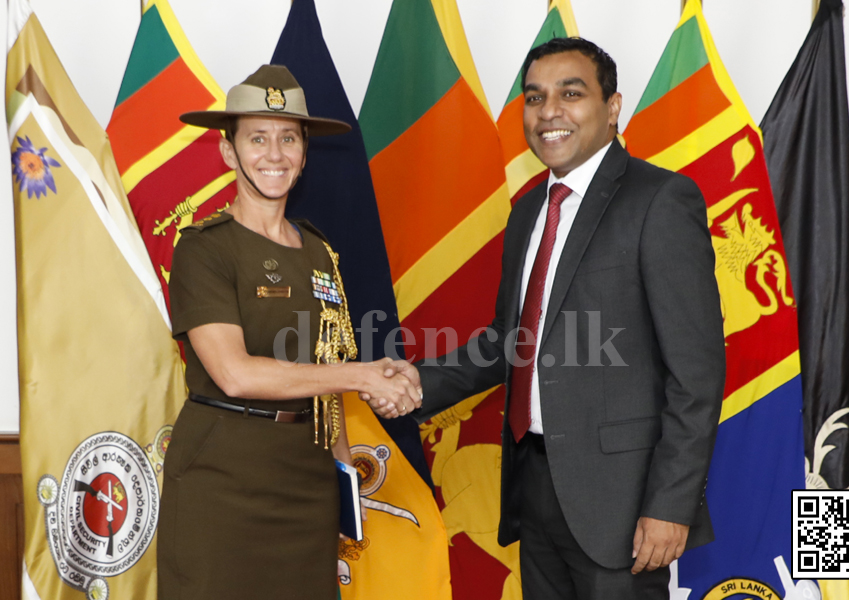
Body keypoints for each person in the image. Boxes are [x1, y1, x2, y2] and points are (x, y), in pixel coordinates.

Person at [366, 38, 725, 600]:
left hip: (623, 509)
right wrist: (415, 383)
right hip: (533, 489)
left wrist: (668, 506)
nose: (549, 111)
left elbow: (696, 375)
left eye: (571, 93)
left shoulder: (662, 200)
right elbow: (510, 343)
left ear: (613, 108)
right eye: (535, 98)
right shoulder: (530, 209)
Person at [157, 65, 420, 600]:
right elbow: (233, 373)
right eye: (257, 138)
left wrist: (344, 476)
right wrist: (366, 375)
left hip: (307, 480)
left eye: (288, 139)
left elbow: (324, 366)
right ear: (229, 152)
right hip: (222, 478)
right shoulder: (204, 249)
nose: (273, 155)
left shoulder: (321, 251)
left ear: (303, 154)